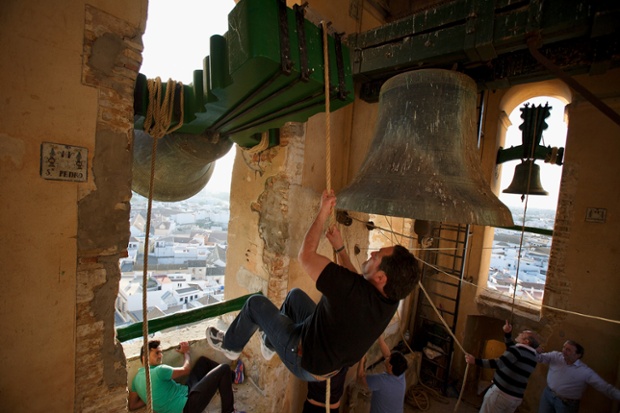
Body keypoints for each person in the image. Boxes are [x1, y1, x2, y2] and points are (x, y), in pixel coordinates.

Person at [207, 189, 419, 381]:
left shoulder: (352, 294)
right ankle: (270, 344)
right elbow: (359, 283)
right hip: (326, 352)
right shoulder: (390, 297)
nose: (373, 253)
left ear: (381, 277)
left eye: (377, 256)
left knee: (255, 304)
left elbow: (305, 256)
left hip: (303, 359)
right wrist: (340, 249)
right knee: (294, 297)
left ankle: (231, 345)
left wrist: (322, 214)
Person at [128, 340, 245, 413]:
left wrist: (152, 398)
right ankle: (229, 411)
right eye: (156, 353)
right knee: (224, 369)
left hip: (185, 393)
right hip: (189, 406)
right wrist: (186, 353)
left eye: (160, 352)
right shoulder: (160, 370)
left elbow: (132, 406)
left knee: (203, 362)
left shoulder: (136, 380)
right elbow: (186, 369)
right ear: (144, 358)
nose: (160, 355)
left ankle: (235, 377)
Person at [465, 321, 540, 413]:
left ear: (526, 341)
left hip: (501, 394)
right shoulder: (533, 356)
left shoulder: (517, 351)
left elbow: (499, 363)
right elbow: (512, 351)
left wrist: (475, 361)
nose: (520, 334)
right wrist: (507, 333)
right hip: (515, 398)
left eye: (522, 334)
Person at [537, 339, 620, 412]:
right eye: (564, 347)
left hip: (567, 404)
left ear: (577, 355)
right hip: (548, 395)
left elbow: (605, 387)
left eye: (568, 350)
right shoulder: (555, 356)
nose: (563, 351)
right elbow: (539, 358)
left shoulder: (585, 372)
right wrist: (534, 349)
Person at [356, 335, 409, 413]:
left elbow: (360, 378)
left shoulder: (381, 381)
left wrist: (362, 358)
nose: (387, 357)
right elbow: (387, 355)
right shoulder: (400, 372)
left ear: (390, 366)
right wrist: (380, 338)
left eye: (388, 359)